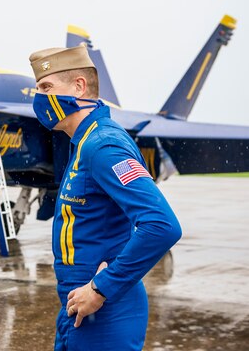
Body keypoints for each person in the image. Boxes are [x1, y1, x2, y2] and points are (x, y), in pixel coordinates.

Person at [29, 45, 182, 350]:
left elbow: (162, 225)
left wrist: (101, 288)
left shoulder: (102, 145)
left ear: (79, 87)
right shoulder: (82, 142)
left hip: (106, 312)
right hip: (79, 310)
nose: (39, 98)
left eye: (46, 87)